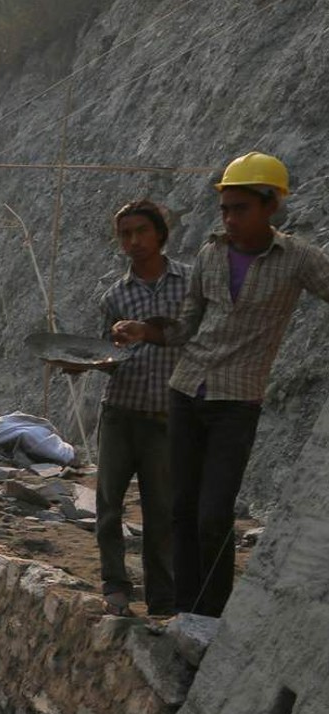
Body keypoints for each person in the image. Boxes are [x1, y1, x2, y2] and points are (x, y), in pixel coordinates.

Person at [113, 151, 329, 616]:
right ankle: (185, 613)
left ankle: (212, 615)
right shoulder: (211, 254)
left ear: (271, 206)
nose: (230, 219)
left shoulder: (297, 260)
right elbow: (188, 326)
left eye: (241, 209)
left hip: (237, 401)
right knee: (182, 510)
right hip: (187, 390)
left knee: (214, 515)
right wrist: (146, 331)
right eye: (225, 209)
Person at [88, 199, 187, 618]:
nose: (133, 241)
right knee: (108, 505)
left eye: (141, 232)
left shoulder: (190, 284)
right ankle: (115, 585)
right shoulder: (115, 296)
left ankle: (162, 598)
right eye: (125, 234)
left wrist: (149, 332)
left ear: (160, 234)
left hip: (166, 415)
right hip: (120, 412)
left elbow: (199, 337)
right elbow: (106, 355)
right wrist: (88, 363)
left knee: (161, 512)